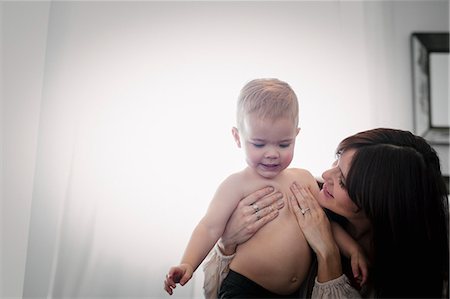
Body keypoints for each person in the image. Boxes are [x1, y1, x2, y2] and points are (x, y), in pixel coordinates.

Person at [164, 78, 366, 298]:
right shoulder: (236, 185)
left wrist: (352, 249)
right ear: (237, 137)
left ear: (296, 136)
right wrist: (188, 264)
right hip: (246, 289)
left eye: (284, 144)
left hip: (295, 292)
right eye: (259, 144)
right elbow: (209, 228)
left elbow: (325, 225)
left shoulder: (304, 178)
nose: (272, 153)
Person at [206, 128, 449, 298]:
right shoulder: (305, 197)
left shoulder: (412, 270)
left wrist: (328, 251)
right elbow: (217, 292)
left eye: (342, 182)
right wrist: (227, 243)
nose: (326, 175)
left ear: (377, 207)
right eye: (336, 162)